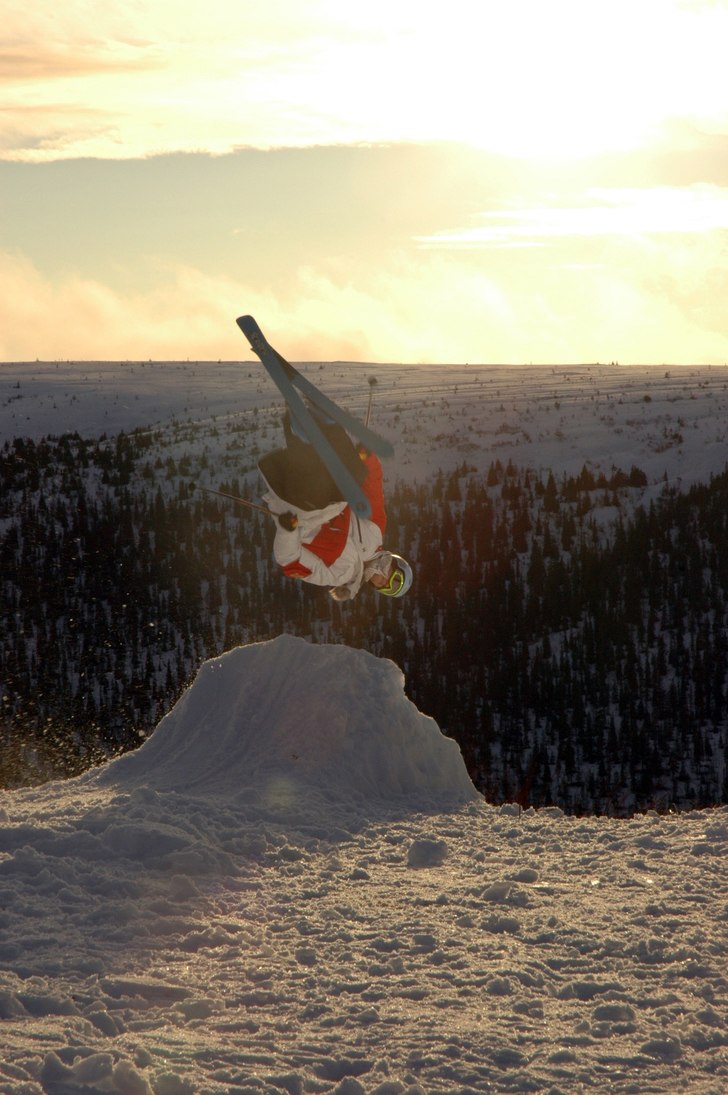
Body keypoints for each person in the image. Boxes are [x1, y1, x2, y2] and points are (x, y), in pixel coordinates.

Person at [258, 411, 413, 601]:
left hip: (302, 512)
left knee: (319, 495)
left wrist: (287, 530)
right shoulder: (375, 531)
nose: (383, 578)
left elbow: (290, 561)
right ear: (396, 563)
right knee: (353, 473)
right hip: (331, 498)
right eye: (392, 576)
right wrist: (367, 458)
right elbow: (373, 489)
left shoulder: (339, 575)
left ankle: (303, 432)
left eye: (383, 586)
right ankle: (326, 424)